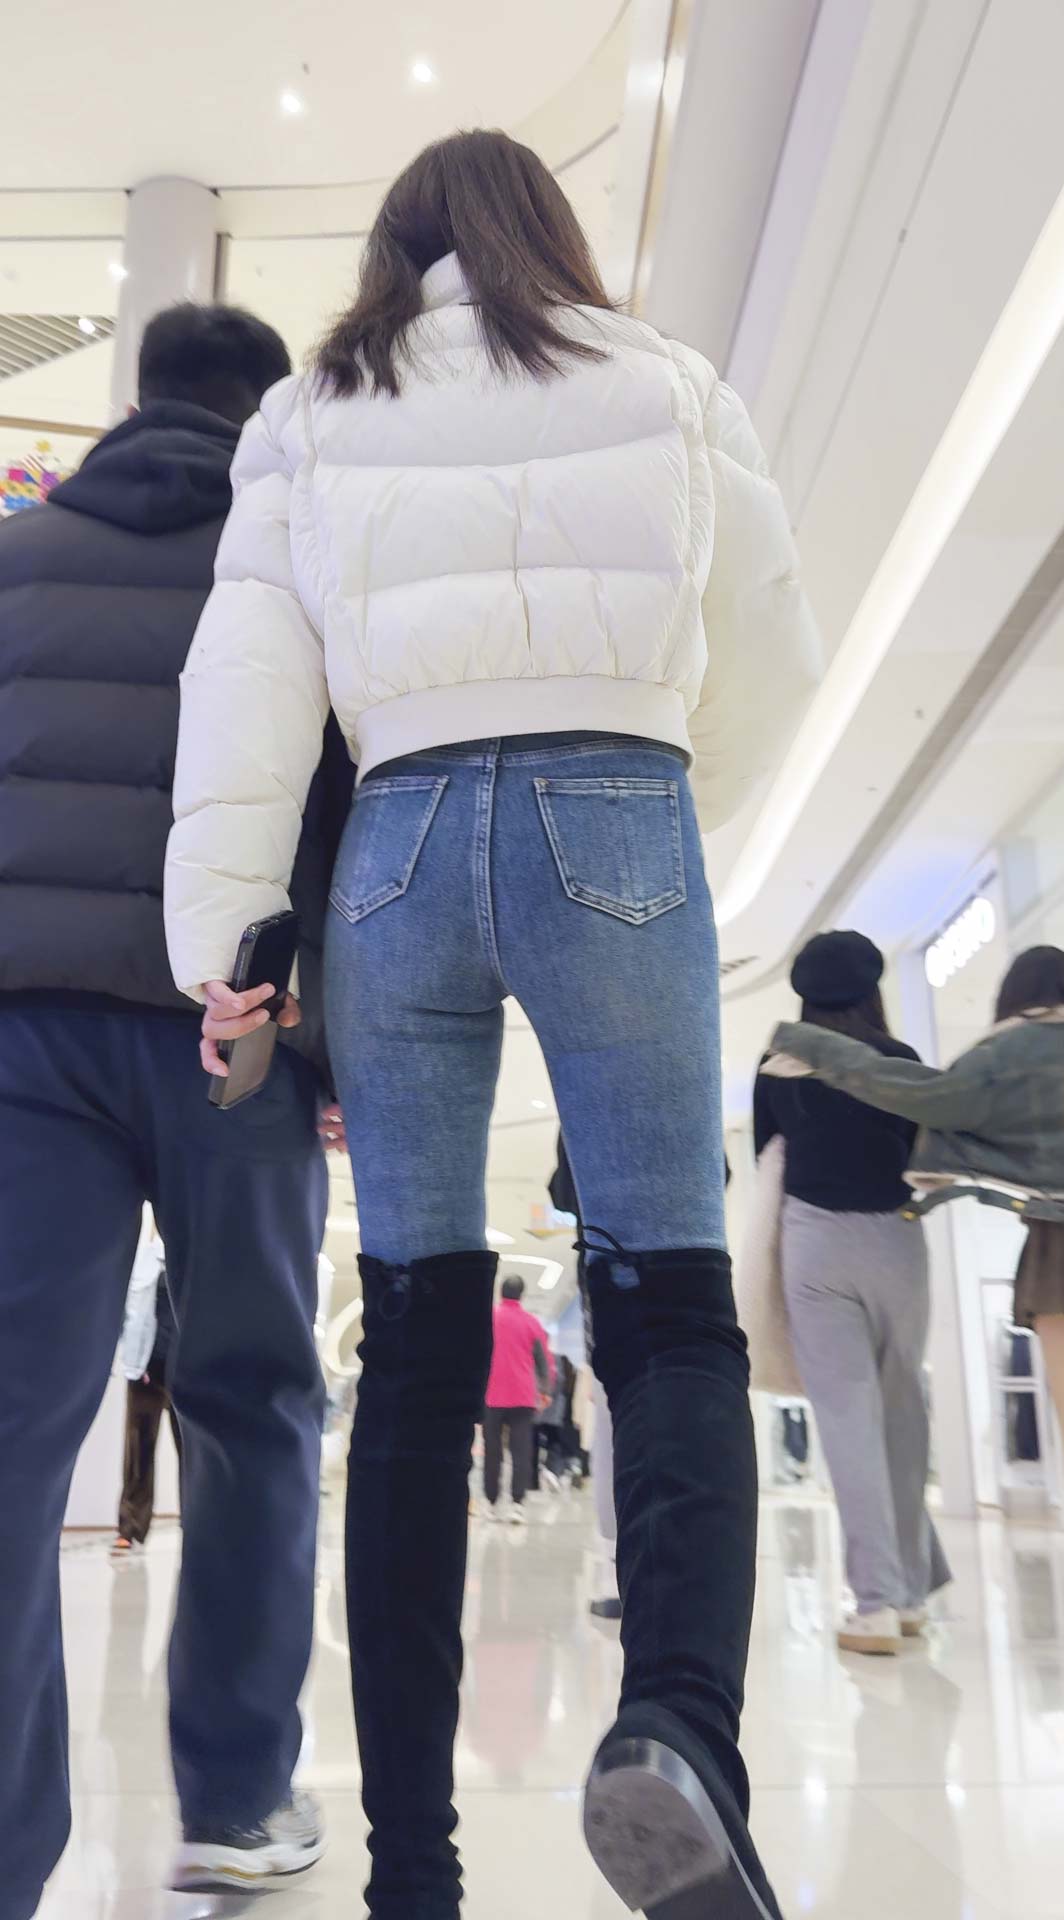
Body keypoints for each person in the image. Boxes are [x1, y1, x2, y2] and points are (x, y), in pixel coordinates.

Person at [165, 128, 821, 1920]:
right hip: (618, 806)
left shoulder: (312, 410)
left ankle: (412, 1869)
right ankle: (677, 1732)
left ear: (397, 252)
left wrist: (225, 945)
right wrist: (671, 806)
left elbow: (248, 689)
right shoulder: (663, 378)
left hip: (396, 847)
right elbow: (773, 650)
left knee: (415, 1346)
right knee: (669, 1302)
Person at [0, 304, 353, 1915]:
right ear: (267, 413)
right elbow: (350, 819)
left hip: (25, 1043)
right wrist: (336, 1050)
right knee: (254, 1402)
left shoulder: (14, 560)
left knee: (13, 1429)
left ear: (128, 402)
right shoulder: (296, 569)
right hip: (240, 1032)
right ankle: (235, 1799)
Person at [770, 943, 1064, 1566]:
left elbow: (925, 1099)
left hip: (1058, 1252)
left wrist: (809, 1045)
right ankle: (908, 1577)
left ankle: (879, 1590)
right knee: (901, 1400)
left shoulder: (1009, 1052)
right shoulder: (927, 1053)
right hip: (905, 1239)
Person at [755, 932, 951, 1656]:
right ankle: (909, 1599)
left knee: (847, 1420)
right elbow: (925, 1148)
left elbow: (766, 1156)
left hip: (815, 1242)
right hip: (897, 1237)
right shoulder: (899, 1061)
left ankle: (875, 1603)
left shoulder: (779, 1062)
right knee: (904, 1411)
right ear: (872, 989)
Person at [115, 1235, 181, 1552]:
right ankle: (129, 1527)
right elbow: (127, 1313)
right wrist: (130, 1358)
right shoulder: (143, 1260)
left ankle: (195, 1525)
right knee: (138, 1452)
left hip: (186, 1372)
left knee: (194, 1455)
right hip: (146, 1368)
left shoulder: (196, 1259)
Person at [483, 1275, 554, 1523]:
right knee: (521, 1451)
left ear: (500, 1292)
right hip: (523, 1396)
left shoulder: (489, 1317)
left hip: (491, 1395)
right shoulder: (531, 1322)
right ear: (521, 1295)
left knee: (492, 1452)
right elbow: (543, 1360)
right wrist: (545, 1390)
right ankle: (517, 1505)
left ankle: (491, 1503)